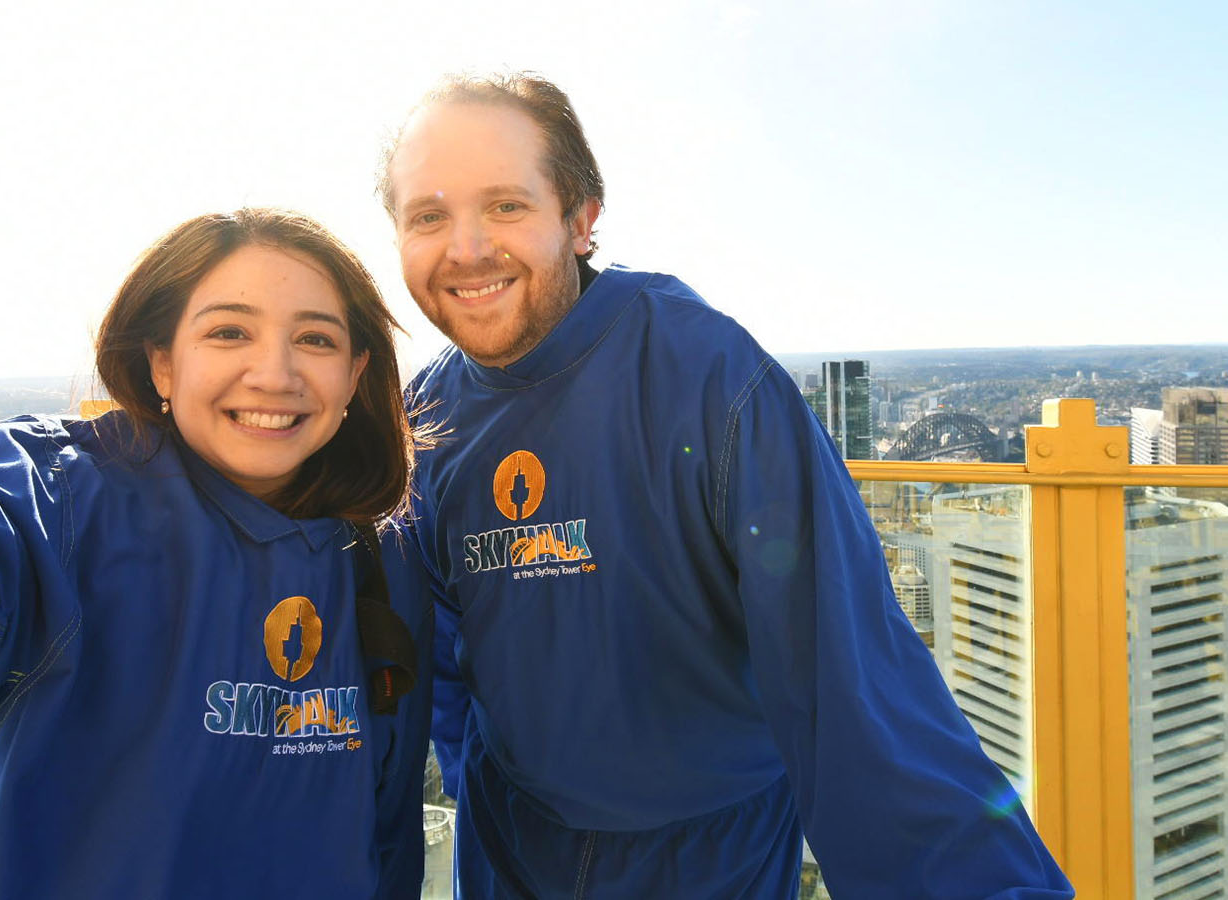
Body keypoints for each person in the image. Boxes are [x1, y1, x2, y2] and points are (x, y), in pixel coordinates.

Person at [380, 74, 1073, 898]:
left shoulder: (710, 381)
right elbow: (442, 667)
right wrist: (470, 793)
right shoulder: (425, 419)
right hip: (506, 851)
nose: (464, 248)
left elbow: (849, 683)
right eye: (428, 215)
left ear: (580, 218)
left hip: (708, 861)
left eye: (505, 206)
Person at [0, 208, 432, 898]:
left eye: (315, 339)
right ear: (162, 363)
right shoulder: (64, 510)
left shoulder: (380, 557)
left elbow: (389, 823)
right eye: (229, 332)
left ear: (354, 375)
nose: (274, 373)